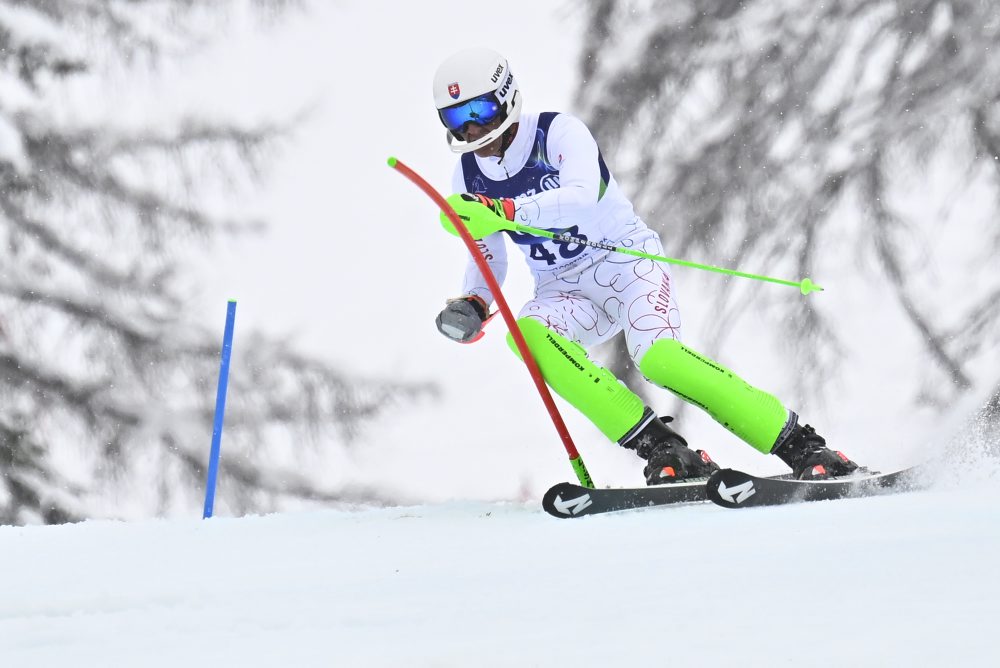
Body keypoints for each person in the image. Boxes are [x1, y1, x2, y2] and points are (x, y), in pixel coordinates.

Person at [431, 47, 862, 485]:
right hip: (563, 290)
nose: (472, 129)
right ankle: (663, 448)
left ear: (506, 97)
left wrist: (503, 209)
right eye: (455, 119)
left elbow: (580, 195)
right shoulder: (468, 176)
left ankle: (805, 447)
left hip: (626, 265)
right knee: (527, 339)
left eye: (480, 110)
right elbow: (487, 256)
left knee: (658, 360)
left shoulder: (558, 133)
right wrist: (474, 302)